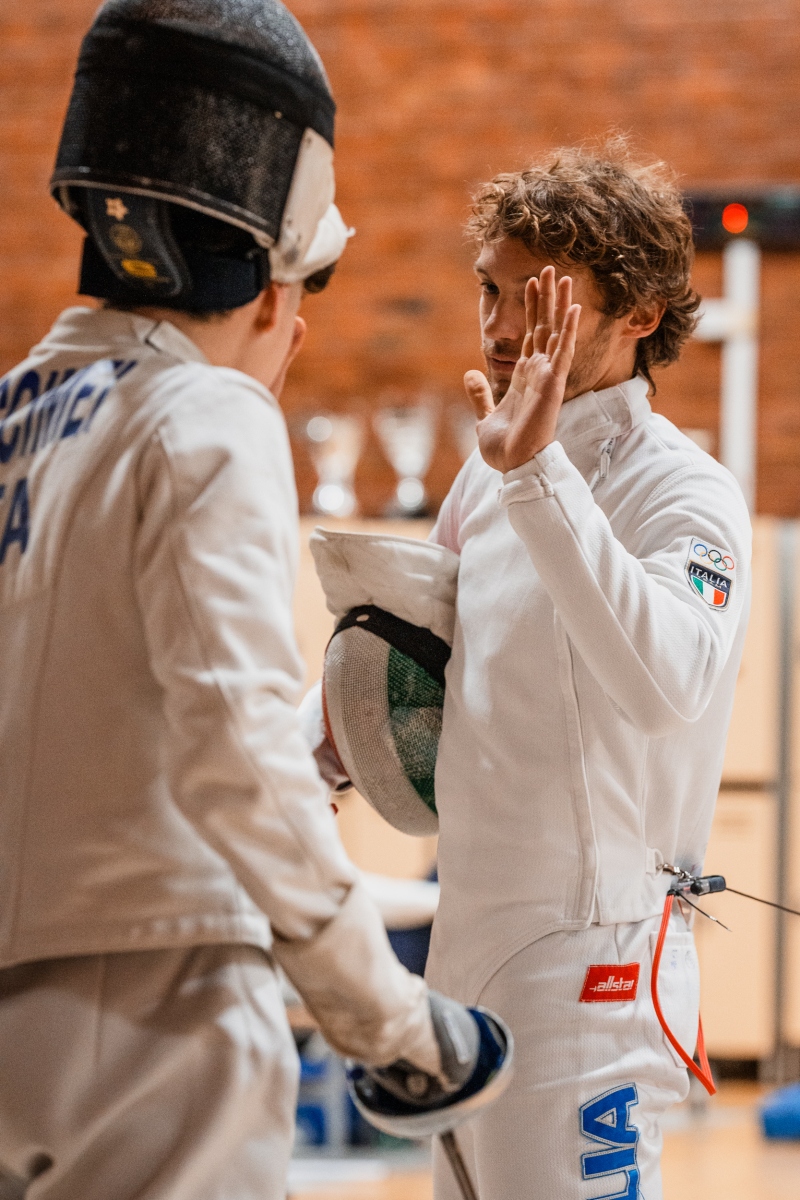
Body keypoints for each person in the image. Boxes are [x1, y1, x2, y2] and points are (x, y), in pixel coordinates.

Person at [0, 2, 490, 1197]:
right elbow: (235, 754)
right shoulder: (205, 414)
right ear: (273, 289)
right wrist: (391, 1021)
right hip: (155, 1005)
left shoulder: (14, 415)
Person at [418, 141, 752, 1199]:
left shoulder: (684, 493)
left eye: (543, 300)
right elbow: (400, 657)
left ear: (639, 314)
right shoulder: (487, 478)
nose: (503, 328)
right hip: (466, 945)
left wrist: (537, 475)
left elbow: (664, 684)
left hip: (596, 967)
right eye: (492, 290)